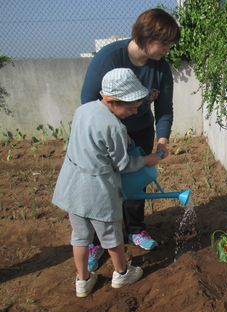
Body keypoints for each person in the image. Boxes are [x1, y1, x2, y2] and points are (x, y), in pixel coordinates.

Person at [80, 8, 181, 271]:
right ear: (148, 36)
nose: (168, 49)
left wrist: (162, 141)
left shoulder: (160, 68)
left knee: (135, 180)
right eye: (165, 43)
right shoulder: (109, 57)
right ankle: (93, 241)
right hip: (105, 133)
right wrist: (116, 130)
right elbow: (88, 100)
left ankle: (135, 229)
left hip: (140, 129)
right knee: (101, 183)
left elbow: (165, 108)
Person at [53, 68, 161, 297]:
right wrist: (146, 160)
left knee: (80, 237)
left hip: (72, 186)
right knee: (111, 236)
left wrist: (123, 138)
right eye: (130, 109)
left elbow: (93, 140)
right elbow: (123, 165)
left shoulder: (83, 110)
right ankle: (122, 274)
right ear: (112, 101)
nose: (133, 113)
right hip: (98, 191)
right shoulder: (115, 127)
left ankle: (82, 281)